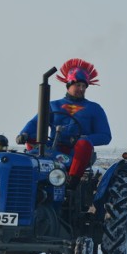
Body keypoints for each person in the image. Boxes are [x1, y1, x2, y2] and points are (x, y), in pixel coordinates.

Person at [16, 58, 112, 189]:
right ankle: (31, 175)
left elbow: (105, 136)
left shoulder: (94, 108)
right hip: (53, 147)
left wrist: (84, 138)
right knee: (33, 136)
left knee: (83, 144)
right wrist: (24, 134)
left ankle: (71, 181)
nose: (81, 89)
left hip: (77, 152)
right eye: (78, 85)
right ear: (69, 85)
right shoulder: (53, 105)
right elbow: (35, 122)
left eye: (84, 86)